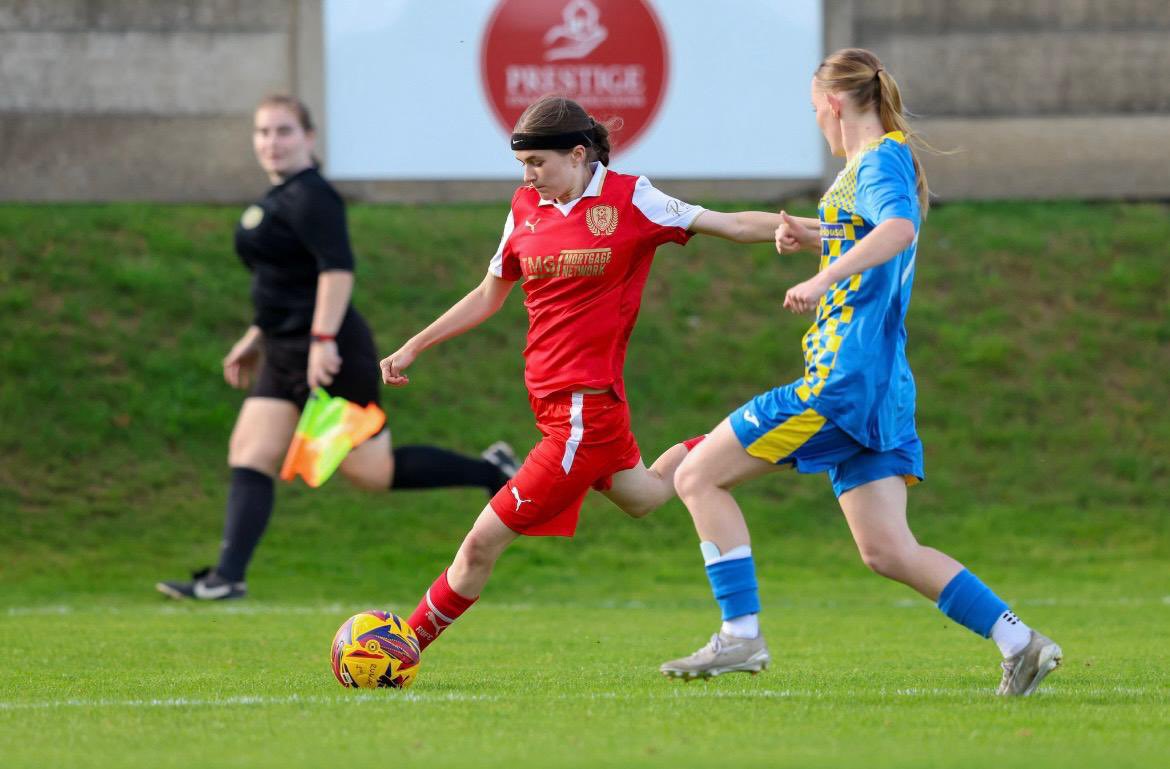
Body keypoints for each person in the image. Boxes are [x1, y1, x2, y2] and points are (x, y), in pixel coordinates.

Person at [658, 49, 1062, 696]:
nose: (813, 115)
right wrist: (816, 238)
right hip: (881, 388)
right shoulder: (871, 164)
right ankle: (1021, 641)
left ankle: (740, 634)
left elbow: (898, 228)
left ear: (833, 102)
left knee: (697, 474)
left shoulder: (878, 159)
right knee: (888, 550)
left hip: (843, 380)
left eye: (812, 104)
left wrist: (823, 276)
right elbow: (872, 232)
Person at [379, 95, 786, 653]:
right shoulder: (525, 207)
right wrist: (414, 345)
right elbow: (487, 294)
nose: (529, 176)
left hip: (580, 415)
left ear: (577, 155)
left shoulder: (631, 197)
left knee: (479, 545)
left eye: (538, 163)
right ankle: (763, 433)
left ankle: (402, 647)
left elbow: (731, 223)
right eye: (523, 165)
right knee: (645, 496)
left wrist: (824, 231)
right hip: (564, 408)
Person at [157, 94, 516, 601]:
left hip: (332, 353)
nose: (272, 143)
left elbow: (336, 271)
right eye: (263, 133)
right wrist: (255, 336)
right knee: (250, 451)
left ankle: (491, 470)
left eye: (284, 132)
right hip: (283, 351)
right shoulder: (277, 198)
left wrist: (322, 341)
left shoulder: (313, 197)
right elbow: (286, 283)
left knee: (370, 472)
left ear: (308, 138)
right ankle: (226, 579)